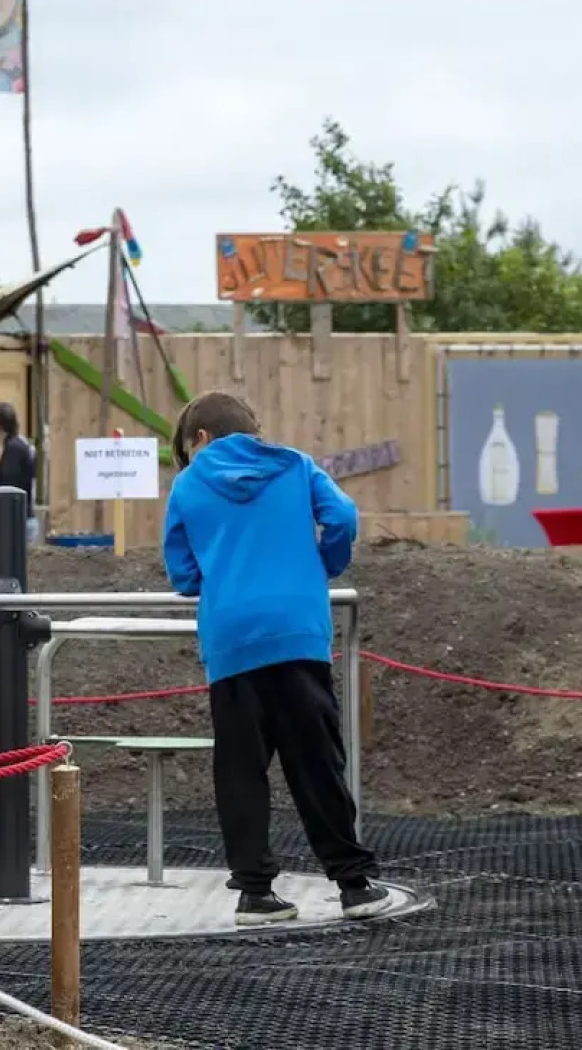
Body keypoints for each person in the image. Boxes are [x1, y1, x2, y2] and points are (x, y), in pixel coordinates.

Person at [161, 390, 391, 927]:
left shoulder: (188, 484)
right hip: (297, 632)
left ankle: (255, 894)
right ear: (251, 428)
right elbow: (343, 517)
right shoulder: (296, 465)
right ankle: (353, 883)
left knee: (240, 768)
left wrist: (212, 581)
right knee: (316, 760)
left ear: (200, 439)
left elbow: (181, 571)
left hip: (232, 640)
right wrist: (324, 565)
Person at [0, 401, 37, 537]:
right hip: (20, 518)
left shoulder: (13, 448)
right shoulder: (17, 445)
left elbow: (10, 486)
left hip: (17, 521)